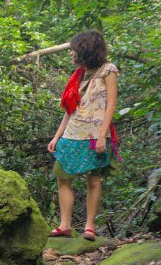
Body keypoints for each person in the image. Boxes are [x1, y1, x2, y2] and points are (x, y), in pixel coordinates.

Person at [47, 30, 119, 241]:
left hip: (94, 133)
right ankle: (65, 225)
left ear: (86, 49)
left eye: (75, 50)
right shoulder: (78, 75)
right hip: (72, 133)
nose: (72, 54)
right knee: (62, 174)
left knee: (94, 179)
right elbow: (71, 110)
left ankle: (89, 227)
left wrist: (102, 135)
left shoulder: (108, 70)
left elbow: (111, 104)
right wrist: (56, 137)